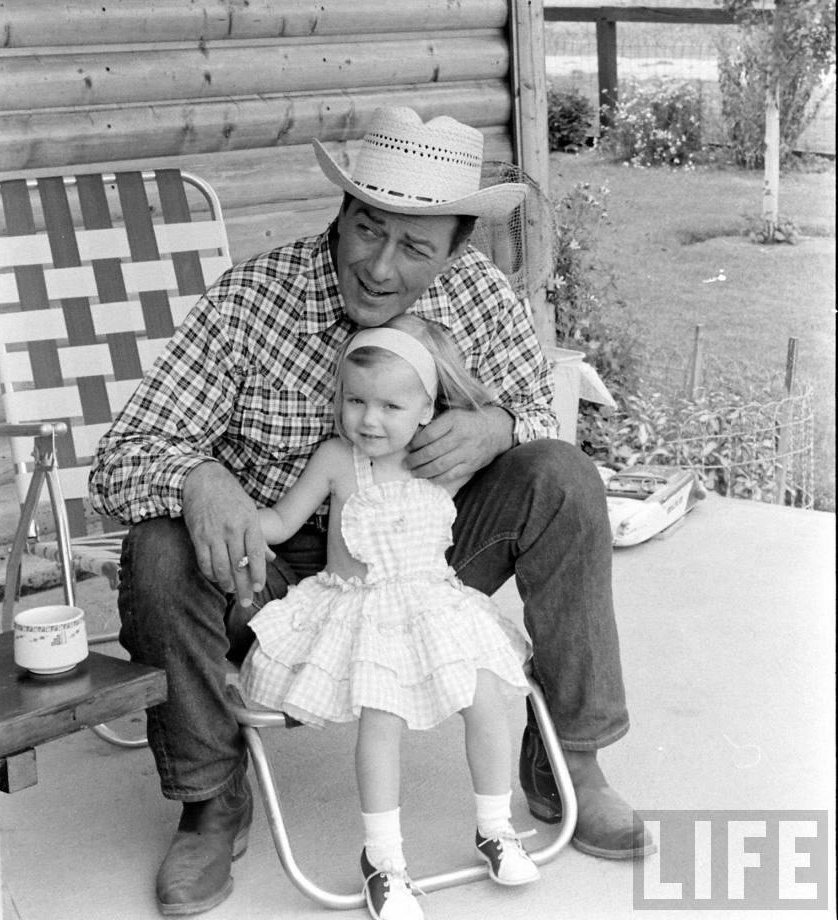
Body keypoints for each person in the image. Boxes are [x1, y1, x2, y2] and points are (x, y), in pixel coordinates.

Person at [90, 105, 651, 919]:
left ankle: (571, 758)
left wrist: (501, 425)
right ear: (342, 212)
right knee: (157, 546)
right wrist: (197, 476)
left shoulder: (480, 296)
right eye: (367, 230)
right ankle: (209, 802)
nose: (380, 267)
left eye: (415, 247)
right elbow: (121, 458)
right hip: (269, 572)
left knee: (561, 476)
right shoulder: (253, 298)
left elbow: (540, 409)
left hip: (421, 560)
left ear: (455, 250)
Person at [241, 314, 540, 917]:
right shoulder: (337, 459)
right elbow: (281, 521)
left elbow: (517, 433)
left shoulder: (443, 462)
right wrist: (238, 522)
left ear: (427, 411)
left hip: (433, 603)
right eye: (355, 400)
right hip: (359, 611)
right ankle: (383, 860)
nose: (369, 420)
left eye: (390, 406)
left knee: (484, 693)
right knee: (382, 715)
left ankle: (496, 828)